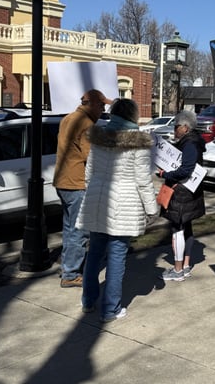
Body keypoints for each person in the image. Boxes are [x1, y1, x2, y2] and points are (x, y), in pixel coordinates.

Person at [76, 99, 158, 321]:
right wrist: (152, 208)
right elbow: (143, 180)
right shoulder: (138, 142)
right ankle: (110, 309)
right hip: (125, 202)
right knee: (116, 256)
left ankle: (88, 300)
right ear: (133, 114)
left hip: (98, 199)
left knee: (94, 253)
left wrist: (92, 192)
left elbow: (89, 171)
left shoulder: (99, 136)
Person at [53, 89, 114, 288]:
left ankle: (67, 267)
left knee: (69, 228)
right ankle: (71, 274)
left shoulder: (68, 118)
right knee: (80, 231)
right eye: (102, 106)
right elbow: (91, 156)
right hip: (77, 182)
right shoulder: (87, 124)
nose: (103, 110)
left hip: (63, 180)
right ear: (93, 104)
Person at [156, 110, 206, 282]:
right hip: (190, 191)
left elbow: (185, 170)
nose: (174, 129)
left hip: (182, 192)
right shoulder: (194, 141)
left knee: (177, 229)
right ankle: (185, 266)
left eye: (176, 126)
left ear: (185, 127)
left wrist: (165, 174)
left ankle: (177, 270)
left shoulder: (189, 144)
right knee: (187, 227)